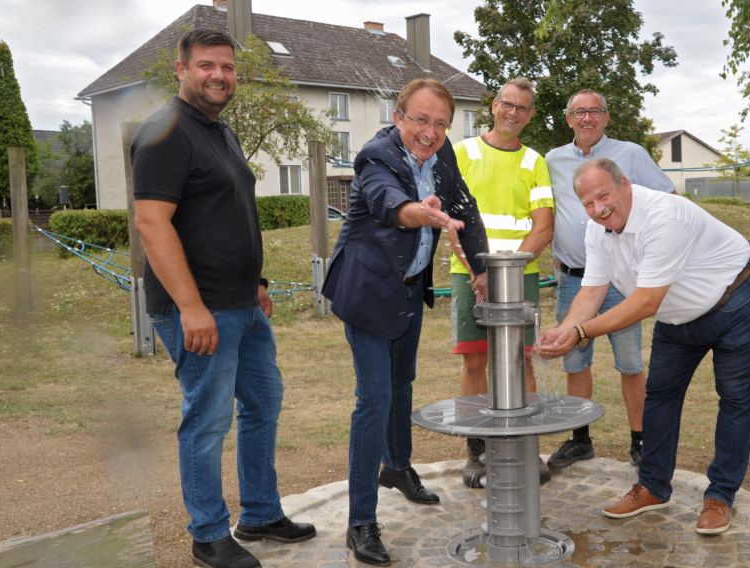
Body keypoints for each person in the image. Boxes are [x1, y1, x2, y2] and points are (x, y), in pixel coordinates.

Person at [132, 30, 315, 568]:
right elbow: (151, 222)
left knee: (262, 404)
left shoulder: (221, 131)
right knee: (207, 419)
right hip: (199, 309)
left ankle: (259, 512)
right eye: (207, 65)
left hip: (242, 304)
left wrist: (255, 283)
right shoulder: (164, 133)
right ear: (181, 69)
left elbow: (227, 213)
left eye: (228, 67)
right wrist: (191, 307)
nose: (219, 75)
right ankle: (208, 535)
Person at [536, 158, 750, 535]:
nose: (598, 209)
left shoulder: (664, 216)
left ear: (624, 183)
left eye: (603, 196)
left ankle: (720, 496)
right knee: (658, 396)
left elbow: (644, 303)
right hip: (677, 316)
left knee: (735, 398)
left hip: (734, 299)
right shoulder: (597, 231)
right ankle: (654, 487)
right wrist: (565, 330)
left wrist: (580, 334)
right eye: (588, 204)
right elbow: (591, 291)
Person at [321, 78, 489, 566]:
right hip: (368, 292)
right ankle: (360, 523)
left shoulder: (444, 156)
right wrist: (422, 212)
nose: (430, 132)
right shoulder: (376, 157)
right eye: (421, 120)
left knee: (402, 383)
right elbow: (389, 205)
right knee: (373, 400)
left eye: (440, 123)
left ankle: (396, 467)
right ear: (399, 117)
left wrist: (479, 269)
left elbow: (466, 208)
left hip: (409, 289)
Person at [544, 89, 676, 470]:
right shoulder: (553, 160)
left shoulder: (631, 154)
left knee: (631, 362)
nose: (587, 118)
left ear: (606, 117)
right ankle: (579, 438)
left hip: (620, 280)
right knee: (575, 360)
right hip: (573, 277)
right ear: (568, 119)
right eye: (579, 112)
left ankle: (640, 439)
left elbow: (667, 197)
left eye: (595, 112)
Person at [450, 77, 554, 488]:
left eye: (522, 108)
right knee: (475, 360)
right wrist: (480, 275)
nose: (513, 113)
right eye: (507, 104)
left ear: (530, 115)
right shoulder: (463, 153)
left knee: (520, 360)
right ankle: (477, 451)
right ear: (494, 105)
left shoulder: (535, 161)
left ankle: (525, 448)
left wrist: (504, 275)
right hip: (469, 275)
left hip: (520, 277)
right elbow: (453, 222)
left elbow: (543, 226)